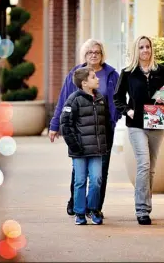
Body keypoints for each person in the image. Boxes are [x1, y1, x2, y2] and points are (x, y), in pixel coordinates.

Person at [48, 39, 121, 218]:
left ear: (102, 54)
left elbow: (118, 99)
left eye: (97, 52)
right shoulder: (76, 74)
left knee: (100, 170)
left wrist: (114, 118)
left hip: (104, 131)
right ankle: (76, 203)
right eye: (90, 52)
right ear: (85, 55)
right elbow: (64, 100)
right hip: (80, 130)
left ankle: (94, 208)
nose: (94, 55)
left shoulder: (111, 75)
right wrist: (55, 125)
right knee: (79, 170)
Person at [113, 35, 164, 225]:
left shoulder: (161, 71)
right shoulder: (128, 73)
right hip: (136, 125)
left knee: (151, 169)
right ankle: (141, 210)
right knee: (144, 164)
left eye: (148, 46)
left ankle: (146, 206)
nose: (145, 50)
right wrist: (128, 110)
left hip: (157, 123)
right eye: (141, 47)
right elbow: (117, 98)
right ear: (136, 50)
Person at [60, 67, 111, 225]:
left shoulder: (101, 99)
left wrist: (105, 143)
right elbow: (65, 124)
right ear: (84, 83)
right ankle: (80, 212)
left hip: (97, 149)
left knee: (96, 180)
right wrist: (75, 145)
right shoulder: (73, 100)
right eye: (93, 77)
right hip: (79, 150)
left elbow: (106, 123)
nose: (97, 79)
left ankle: (93, 209)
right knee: (80, 181)